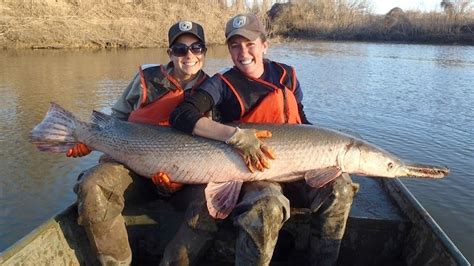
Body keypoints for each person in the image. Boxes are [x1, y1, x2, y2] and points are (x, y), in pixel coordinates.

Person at [166, 13, 357, 266]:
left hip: (298, 166)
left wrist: (321, 148)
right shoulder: (221, 84)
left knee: (341, 189)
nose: (242, 52)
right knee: (267, 205)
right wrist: (234, 136)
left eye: (249, 44)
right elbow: (181, 115)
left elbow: (300, 119)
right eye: (235, 45)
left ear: (264, 45)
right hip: (255, 171)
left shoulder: (287, 75)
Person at [66, 20, 209, 265]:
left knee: (214, 203)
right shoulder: (146, 78)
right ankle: (116, 261)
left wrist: (179, 181)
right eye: (180, 49)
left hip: (187, 179)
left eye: (196, 48)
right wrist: (90, 141)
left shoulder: (214, 88)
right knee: (92, 185)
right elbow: (117, 119)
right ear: (170, 54)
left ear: (204, 52)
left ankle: (175, 260)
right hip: (133, 169)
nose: (189, 55)